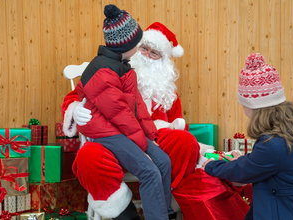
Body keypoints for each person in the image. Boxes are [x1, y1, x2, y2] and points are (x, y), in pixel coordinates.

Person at [63, 21, 249, 220]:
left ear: (163, 60)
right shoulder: (107, 71)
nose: (147, 56)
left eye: (155, 53)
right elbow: (76, 96)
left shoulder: (166, 91)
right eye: (144, 49)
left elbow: (172, 123)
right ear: (134, 49)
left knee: (184, 142)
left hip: (152, 139)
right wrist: (75, 109)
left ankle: (166, 206)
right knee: (88, 157)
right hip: (110, 140)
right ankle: (123, 214)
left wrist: (173, 127)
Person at [74, 5, 172, 220]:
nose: (139, 48)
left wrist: (150, 137)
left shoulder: (123, 66)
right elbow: (118, 113)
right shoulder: (103, 70)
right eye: (137, 44)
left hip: (121, 129)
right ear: (126, 45)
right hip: (105, 131)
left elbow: (138, 107)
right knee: (149, 171)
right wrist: (141, 142)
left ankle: (164, 213)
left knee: (163, 161)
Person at [203, 53, 293, 219]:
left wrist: (211, 165)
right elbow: (263, 164)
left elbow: (243, 172)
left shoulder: (272, 144)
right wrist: (244, 161)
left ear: (254, 106)